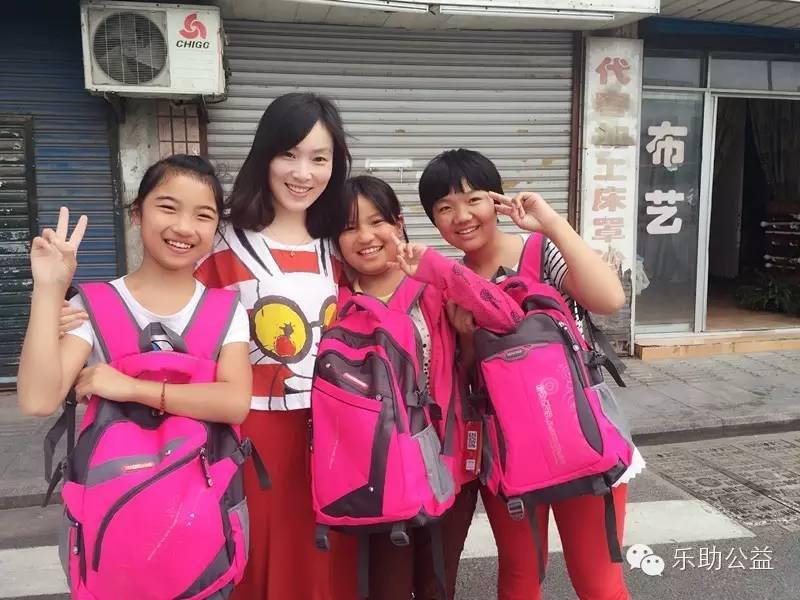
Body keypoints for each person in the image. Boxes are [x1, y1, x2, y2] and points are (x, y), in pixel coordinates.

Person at [417, 149, 644, 600]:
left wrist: (551, 223)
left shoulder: (540, 252)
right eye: (444, 208)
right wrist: (465, 338)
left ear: (496, 201)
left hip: (581, 434)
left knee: (598, 584)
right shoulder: (449, 282)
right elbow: (468, 378)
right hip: (506, 446)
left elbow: (609, 299)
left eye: (473, 199)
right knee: (519, 580)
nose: (462, 217)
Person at [191, 93, 357, 600]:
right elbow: (171, 311)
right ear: (264, 155)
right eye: (289, 154)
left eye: (319, 158)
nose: (303, 173)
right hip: (250, 434)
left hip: (332, 432)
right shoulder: (221, 239)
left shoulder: (339, 243)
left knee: (325, 562)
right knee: (257, 556)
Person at [331, 174, 522, 599]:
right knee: (388, 588)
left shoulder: (434, 287)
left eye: (377, 221)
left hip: (446, 464)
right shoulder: (334, 302)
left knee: (438, 585)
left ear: (399, 223)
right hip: (376, 473)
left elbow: (508, 317)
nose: (366, 237)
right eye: (349, 227)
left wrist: (442, 270)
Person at [18, 154, 251, 423]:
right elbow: (38, 401)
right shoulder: (93, 306)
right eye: (168, 208)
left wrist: (132, 388)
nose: (184, 228)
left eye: (203, 215)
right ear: (137, 213)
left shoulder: (226, 311)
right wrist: (48, 290)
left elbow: (235, 404)